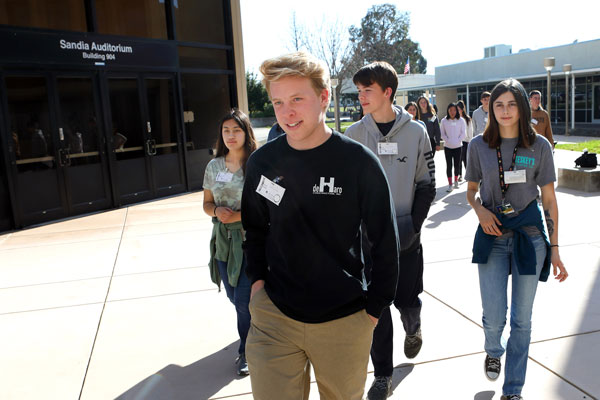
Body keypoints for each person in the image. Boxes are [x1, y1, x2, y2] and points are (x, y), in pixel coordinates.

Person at [241, 52, 400, 400]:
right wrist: (257, 288)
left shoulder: (358, 163)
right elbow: (254, 230)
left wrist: (372, 312)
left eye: (297, 99)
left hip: (344, 321)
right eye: (278, 102)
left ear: (324, 97)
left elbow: (386, 243)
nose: (287, 112)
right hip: (274, 317)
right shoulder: (262, 162)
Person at [465, 79, 568, 400]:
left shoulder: (539, 147)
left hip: (530, 237)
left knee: (522, 321)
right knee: (494, 317)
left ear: (523, 108)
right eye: (499, 105)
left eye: (511, 104)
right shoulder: (478, 146)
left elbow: (549, 200)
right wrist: (480, 210)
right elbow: (470, 191)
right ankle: (493, 349)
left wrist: (555, 248)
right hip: (492, 236)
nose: (505, 111)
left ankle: (513, 390)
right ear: (490, 109)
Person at [346, 62, 436, 400]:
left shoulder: (416, 132)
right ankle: (383, 374)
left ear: (387, 92)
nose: (361, 97)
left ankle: (413, 327)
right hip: (367, 242)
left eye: (366, 90)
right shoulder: (353, 134)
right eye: (359, 91)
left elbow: (427, 184)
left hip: (406, 239)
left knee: (406, 301)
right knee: (375, 310)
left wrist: (412, 226)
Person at [203, 108, 258, 376]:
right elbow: (206, 203)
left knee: (243, 300)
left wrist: (239, 214)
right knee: (234, 296)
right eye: (226, 130)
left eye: (236, 130)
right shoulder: (214, 166)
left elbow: (273, 201)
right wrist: (216, 211)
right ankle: (255, 334)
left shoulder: (258, 163)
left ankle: (246, 351)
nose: (230, 135)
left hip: (251, 240)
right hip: (224, 241)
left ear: (246, 132)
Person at [440, 102, 466, 192]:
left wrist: (458, 140)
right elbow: (442, 134)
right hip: (447, 147)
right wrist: (447, 140)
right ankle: (450, 184)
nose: (452, 112)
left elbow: (463, 133)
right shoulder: (444, 121)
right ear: (448, 111)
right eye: (450, 110)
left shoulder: (461, 120)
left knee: (457, 164)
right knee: (449, 165)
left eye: (454, 110)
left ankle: (456, 180)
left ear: (457, 111)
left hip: (458, 146)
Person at [457, 100, 474, 181]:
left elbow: (470, 131)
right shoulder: (455, 119)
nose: (458, 111)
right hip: (457, 142)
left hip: (466, 141)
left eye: (459, 109)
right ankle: (459, 175)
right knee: (458, 159)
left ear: (462, 109)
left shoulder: (467, 119)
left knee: (465, 158)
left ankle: (468, 174)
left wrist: (470, 141)